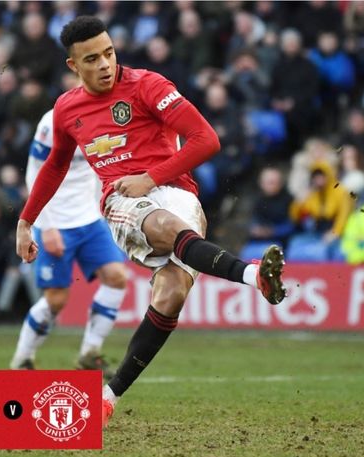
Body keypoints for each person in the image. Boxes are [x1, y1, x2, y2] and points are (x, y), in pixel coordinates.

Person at [14, 16, 286, 429]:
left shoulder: (147, 85)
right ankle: (253, 277)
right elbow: (54, 165)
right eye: (92, 58)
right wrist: (26, 221)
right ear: (74, 65)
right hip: (121, 200)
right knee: (161, 225)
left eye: (109, 52)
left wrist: (152, 177)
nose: (105, 64)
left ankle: (107, 396)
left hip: (177, 192)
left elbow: (206, 139)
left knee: (171, 294)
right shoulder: (66, 110)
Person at [9, 106, 128, 376]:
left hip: (90, 220)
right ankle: (22, 360)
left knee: (117, 276)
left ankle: (89, 353)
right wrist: (46, 226)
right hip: (56, 221)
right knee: (56, 300)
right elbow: (34, 173)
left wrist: (104, 211)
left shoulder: (106, 118)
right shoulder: (51, 121)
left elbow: (102, 169)